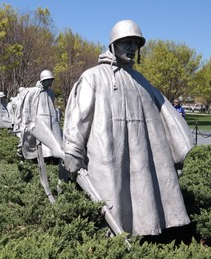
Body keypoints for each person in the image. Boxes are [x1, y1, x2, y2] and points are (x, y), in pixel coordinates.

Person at [63, 20, 194, 236]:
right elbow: (80, 117)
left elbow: (166, 115)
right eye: (126, 42)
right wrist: (73, 149)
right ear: (113, 44)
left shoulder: (141, 81)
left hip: (141, 155)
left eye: (135, 43)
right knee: (113, 199)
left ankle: (145, 235)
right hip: (108, 152)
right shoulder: (93, 77)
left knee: (143, 197)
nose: (132, 47)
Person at [15, 70, 62, 159]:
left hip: (52, 119)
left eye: (51, 80)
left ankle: (53, 156)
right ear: (43, 80)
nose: (50, 82)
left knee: (55, 138)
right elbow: (27, 107)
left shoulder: (51, 92)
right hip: (40, 119)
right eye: (48, 80)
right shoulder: (34, 92)